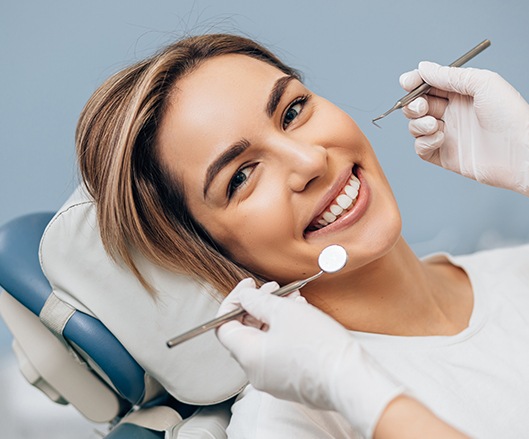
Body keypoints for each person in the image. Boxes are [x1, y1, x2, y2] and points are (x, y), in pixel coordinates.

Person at [76, 33, 529, 438]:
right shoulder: (290, 423)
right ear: (204, 249)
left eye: (292, 110)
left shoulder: (515, 269)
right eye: (241, 177)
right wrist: (351, 386)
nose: (309, 162)